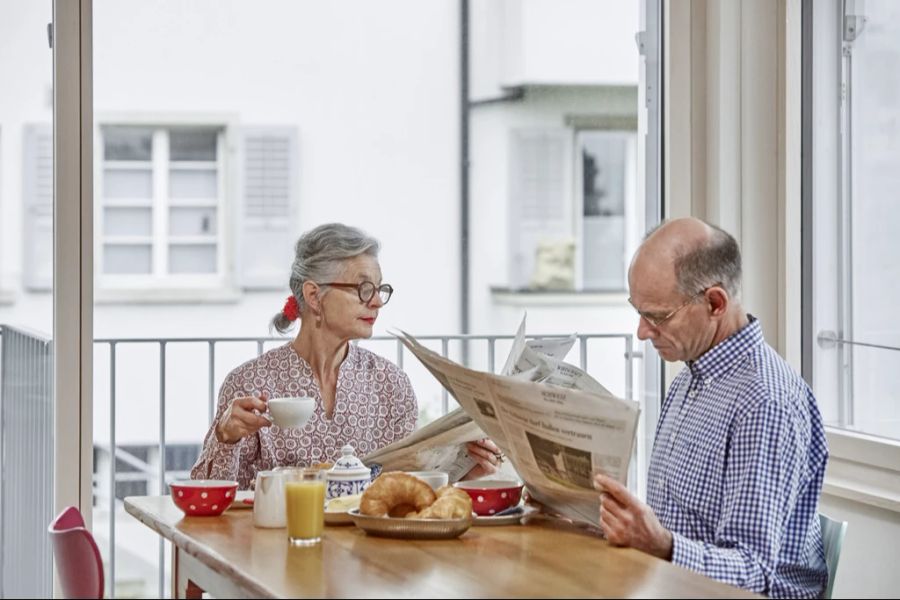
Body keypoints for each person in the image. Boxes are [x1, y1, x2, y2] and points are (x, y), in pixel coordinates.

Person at [593, 218, 828, 598]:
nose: (641, 331)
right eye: (638, 311)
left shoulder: (764, 402)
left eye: (656, 316)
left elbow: (753, 573)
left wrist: (662, 545)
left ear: (715, 303)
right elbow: (675, 522)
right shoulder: (693, 374)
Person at [191, 223, 501, 489]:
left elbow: (402, 491)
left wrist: (462, 474)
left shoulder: (391, 384)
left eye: (380, 290)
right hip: (277, 545)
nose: (377, 302)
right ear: (314, 296)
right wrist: (225, 436)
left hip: (367, 550)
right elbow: (212, 497)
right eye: (364, 288)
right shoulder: (249, 382)